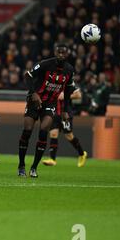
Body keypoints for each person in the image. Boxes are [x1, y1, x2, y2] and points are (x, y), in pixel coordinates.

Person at [18, 42, 76, 178]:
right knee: (27, 130)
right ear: (55, 53)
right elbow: (28, 76)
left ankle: (34, 168)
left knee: (44, 130)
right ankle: (21, 165)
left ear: (67, 54)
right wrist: (34, 93)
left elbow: (68, 91)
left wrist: (66, 109)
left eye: (64, 52)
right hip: (34, 100)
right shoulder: (45, 64)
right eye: (59, 52)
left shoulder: (69, 70)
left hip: (50, 103)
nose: (61, 55)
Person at [42, 88, 88, 167]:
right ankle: (52, 159)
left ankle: (82, 154)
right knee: (53, 134)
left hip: (65, 114)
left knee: (69, 136)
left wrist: (66, 96)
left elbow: (78, 95)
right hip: (55, 113)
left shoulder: (68, 82)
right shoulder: (52, 83)